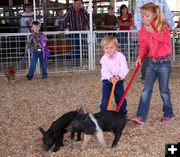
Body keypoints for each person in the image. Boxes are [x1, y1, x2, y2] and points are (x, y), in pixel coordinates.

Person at [131, 2, 174, 125]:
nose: (144, 19)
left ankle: (168, 114)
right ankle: (141, 116)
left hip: (164, 64)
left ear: (154, 15)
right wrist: (140, 56)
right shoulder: (143, 29)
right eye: (142, 16)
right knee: (146, 90)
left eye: (147, 16)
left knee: (164, 91)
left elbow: (165, 40)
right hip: (151, 63)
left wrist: (152, 31)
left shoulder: (163, 25)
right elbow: (143, 45)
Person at [134, 0, 177, 83]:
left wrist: (172, 26)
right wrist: (141, 30)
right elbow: (138, 15)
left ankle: (160, 73)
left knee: (158, 52)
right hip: (147, 27)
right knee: (148, 54)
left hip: (159, 26)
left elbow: (167, 12)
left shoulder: (161, 1)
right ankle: (145, 76)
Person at [100, 36, 129, 116]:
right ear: (103, 48)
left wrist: (119, 76)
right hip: (107, 80)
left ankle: (122, 114)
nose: (108, 50)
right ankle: (103, 114)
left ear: (116, 47)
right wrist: (110, 77)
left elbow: (124, 68)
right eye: (106, 48)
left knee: (120, 97)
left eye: (111, 47)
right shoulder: (104, 58)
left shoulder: (120, 56)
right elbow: (104, 70)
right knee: (106, 98)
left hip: (118, 80)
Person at [60, 0, 89, 66]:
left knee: (83, 47)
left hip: (82, 32)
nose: (79, 5)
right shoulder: (70, 12)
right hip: (74, 32)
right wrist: (62, 29)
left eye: (80, 4)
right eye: (77, 4)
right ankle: (76, 63)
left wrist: (89, 28)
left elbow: (87, 20)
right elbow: (64, 21)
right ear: (74, 4)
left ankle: (82, 62)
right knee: (75, 47)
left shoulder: (83, 11)